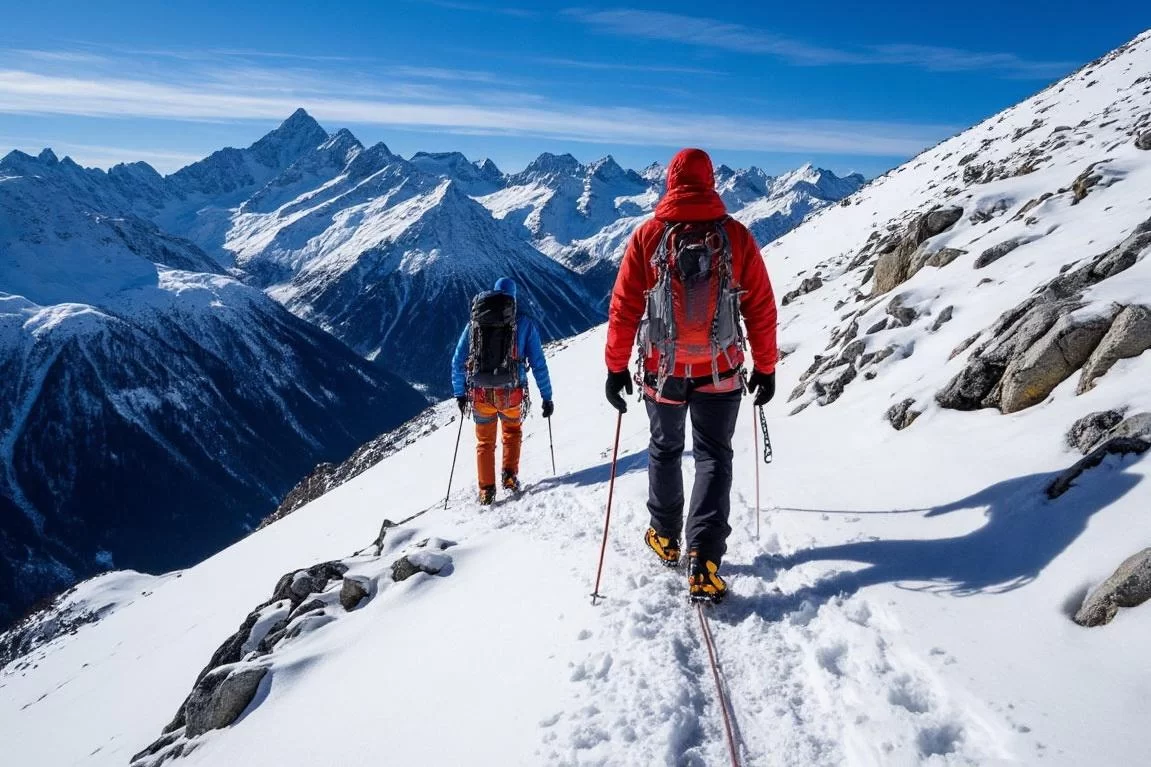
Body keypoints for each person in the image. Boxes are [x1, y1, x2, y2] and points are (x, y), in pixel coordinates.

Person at [604, 147, 779, 603]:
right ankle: (703, 556)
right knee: (713, 456)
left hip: (663, 372)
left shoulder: (648, 236)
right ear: (711, 181)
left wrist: (615, 367)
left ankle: (664, 535)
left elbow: (624, 307)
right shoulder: (736, 236)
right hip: (721, 370)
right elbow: (759, 306)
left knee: (664, 449)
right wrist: (766, 366)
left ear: (670, 181)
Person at [452, 277, 554, 505]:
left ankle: (486, 490)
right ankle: (509, 476)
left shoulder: (475, 324)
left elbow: (457, 361)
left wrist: (460, 393)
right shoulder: (525, 324)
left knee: (485, 443)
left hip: (481, 395)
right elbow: (538, 364)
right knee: (512, 434)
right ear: (514, 299)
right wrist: (547, 396)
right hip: (512, 394)